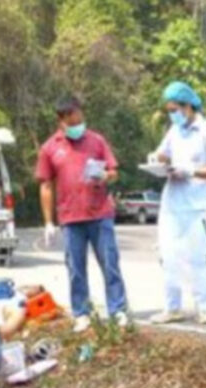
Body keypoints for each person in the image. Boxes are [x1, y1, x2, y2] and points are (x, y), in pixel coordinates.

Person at [36, 95, 129, 333]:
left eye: (80, 118)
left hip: (100, 213)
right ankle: (81, 313)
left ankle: (118, 309)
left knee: (110, 263)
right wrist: (48, 222)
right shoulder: (50, 148)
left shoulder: (96, 141)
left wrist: (105, 176)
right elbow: (45, 185)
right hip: (70, 217)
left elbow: (113, 171)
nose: (78, 124)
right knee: (75, 268)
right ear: (62, 120)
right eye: (72, 120)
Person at [149, 81, 206, 325]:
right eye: (169, 111)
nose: (173, 114)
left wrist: (191, 170)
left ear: (188, 106)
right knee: (169, 256)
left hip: (198, 205)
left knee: (198, 257)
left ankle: (204, 307)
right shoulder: (174, 131)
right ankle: (172, 307)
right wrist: (157, 160)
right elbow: (163, 153)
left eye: (175, 109)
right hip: (173, 202)